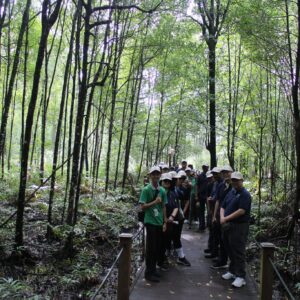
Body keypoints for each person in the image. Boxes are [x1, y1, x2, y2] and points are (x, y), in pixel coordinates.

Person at [220, 171, 252, 288]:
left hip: (239, 226)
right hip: (227, 226)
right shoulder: (231, 192)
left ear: (241, 181)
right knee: (229, 248)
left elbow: (241, 211)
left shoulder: (245, 194)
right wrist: (222, 217)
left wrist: (226, 218)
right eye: (233, 180)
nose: (234, 182)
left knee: (238, 250)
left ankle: (241, 276)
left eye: (237, 180)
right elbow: (223, 206)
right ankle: (232, 271)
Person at [139, 166, 167, 282]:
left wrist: (165, 221)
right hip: (150, 222)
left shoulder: (162, 190)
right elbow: (142, 207)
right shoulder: (146, 190)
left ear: (160, 175)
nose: (155, 176)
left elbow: (164, 206)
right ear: (150, 176)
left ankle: (153, 270)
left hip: (159, 222)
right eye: (153, 174)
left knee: (157, 248)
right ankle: (148, 273)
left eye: (157, 174)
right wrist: (154, 202)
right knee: (151, 249)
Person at [211, 165, 233, 269]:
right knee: (221, 238)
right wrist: (214, 216)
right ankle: (222, 260)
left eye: (227, 172)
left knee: (228, 240)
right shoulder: (221, 185)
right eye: (224, 172)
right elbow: (218, 201)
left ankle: (229, 262)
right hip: (220, 215)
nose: (226, 174)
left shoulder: (235, 185)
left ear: (231, 172)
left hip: (230, 217)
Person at [159, 173, 179, 266]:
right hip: (159, 221)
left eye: (168, 181)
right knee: (159, 242)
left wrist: (172, 216)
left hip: (170, 221)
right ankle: (160, 260)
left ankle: (164, 259)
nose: (167, 182)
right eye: (165, 181)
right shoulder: (158, 193)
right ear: (161, 182)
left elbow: (176, 207)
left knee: (167, 240)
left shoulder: (172, 194)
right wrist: (163, 219)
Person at [172, 171, 191, 266]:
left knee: (176, 237)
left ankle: (181, 256)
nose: (178, 181)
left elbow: (184, 197)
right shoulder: (166, 190)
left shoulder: (177, 190)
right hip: (170, 218)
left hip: (177, 217)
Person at [205, 167, 222, 259]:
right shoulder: (214, 184)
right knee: (212, 230)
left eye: (216, 173)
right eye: (214, 173)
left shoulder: (221, 184)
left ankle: (215, 252)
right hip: (212, 209)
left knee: (216, 233)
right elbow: (213, 195)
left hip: (219, 212)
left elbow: (219, 199)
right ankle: (212, 249)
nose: (215, 175)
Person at [195, 164, 209, 231]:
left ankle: (209, 224)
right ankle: (201, 226)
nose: (206, 168)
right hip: (201, 196)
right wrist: (196, 196)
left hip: (208, 196)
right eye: (205, 167)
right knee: (201, 211)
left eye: (207, 167)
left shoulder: (209, 175)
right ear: (203, 168)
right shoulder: (200, 176)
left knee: (209, 210)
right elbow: (197, 186)